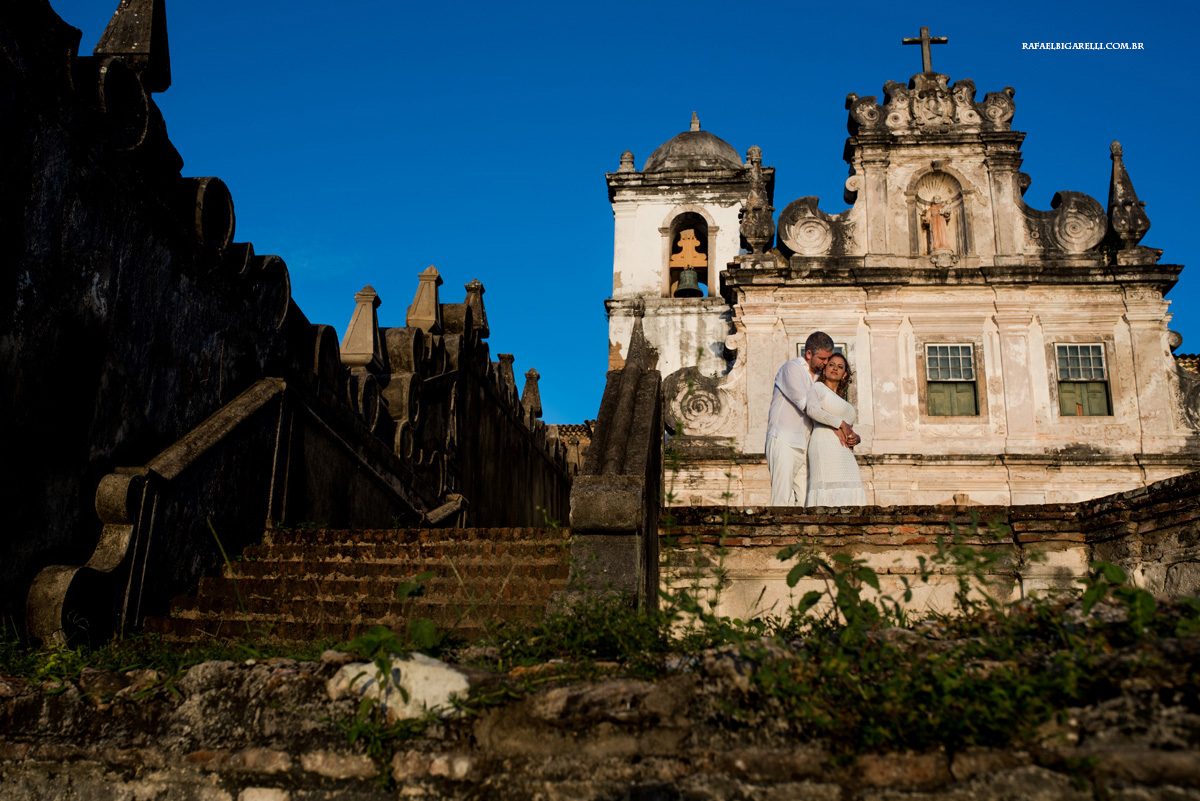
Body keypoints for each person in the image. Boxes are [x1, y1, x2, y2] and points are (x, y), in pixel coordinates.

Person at [766, 331, 859, 506]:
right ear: (809, 354)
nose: (826, 364)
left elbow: (830, 411)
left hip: (807, 446)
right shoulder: (791, 368)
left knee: (807, 502)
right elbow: (809, 408)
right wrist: (839, 425)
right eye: (823, 359)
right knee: (782, 498)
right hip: (784, 440)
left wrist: (848, 432)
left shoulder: (819, 379)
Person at [805, 353, 867, 507]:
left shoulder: (841, 399)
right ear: (825, 369)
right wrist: (840, 423)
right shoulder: (818, 388)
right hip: (824, 445)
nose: (835, 368)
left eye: (840, 367)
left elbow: (850, 427)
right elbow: (812, 410)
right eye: (832, 364)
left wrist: (856, 438)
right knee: (827, 489)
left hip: (844, 451)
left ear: (844, 374)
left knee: (851, 487)